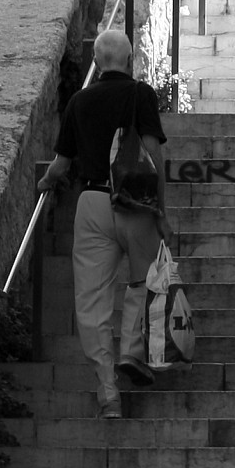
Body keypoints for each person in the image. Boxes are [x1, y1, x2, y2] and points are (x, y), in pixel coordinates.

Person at [39, 27, 175, 418]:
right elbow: (153, 157)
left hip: (93, 201)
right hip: (135, 203)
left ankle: (107, 391)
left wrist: (46, 183)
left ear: (97, 63)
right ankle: (132, 351)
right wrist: (161, 213)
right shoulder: (140, 95)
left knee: (93, 302)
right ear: (130, 61)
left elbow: (62, 165)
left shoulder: (79, 102)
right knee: (142, 281)